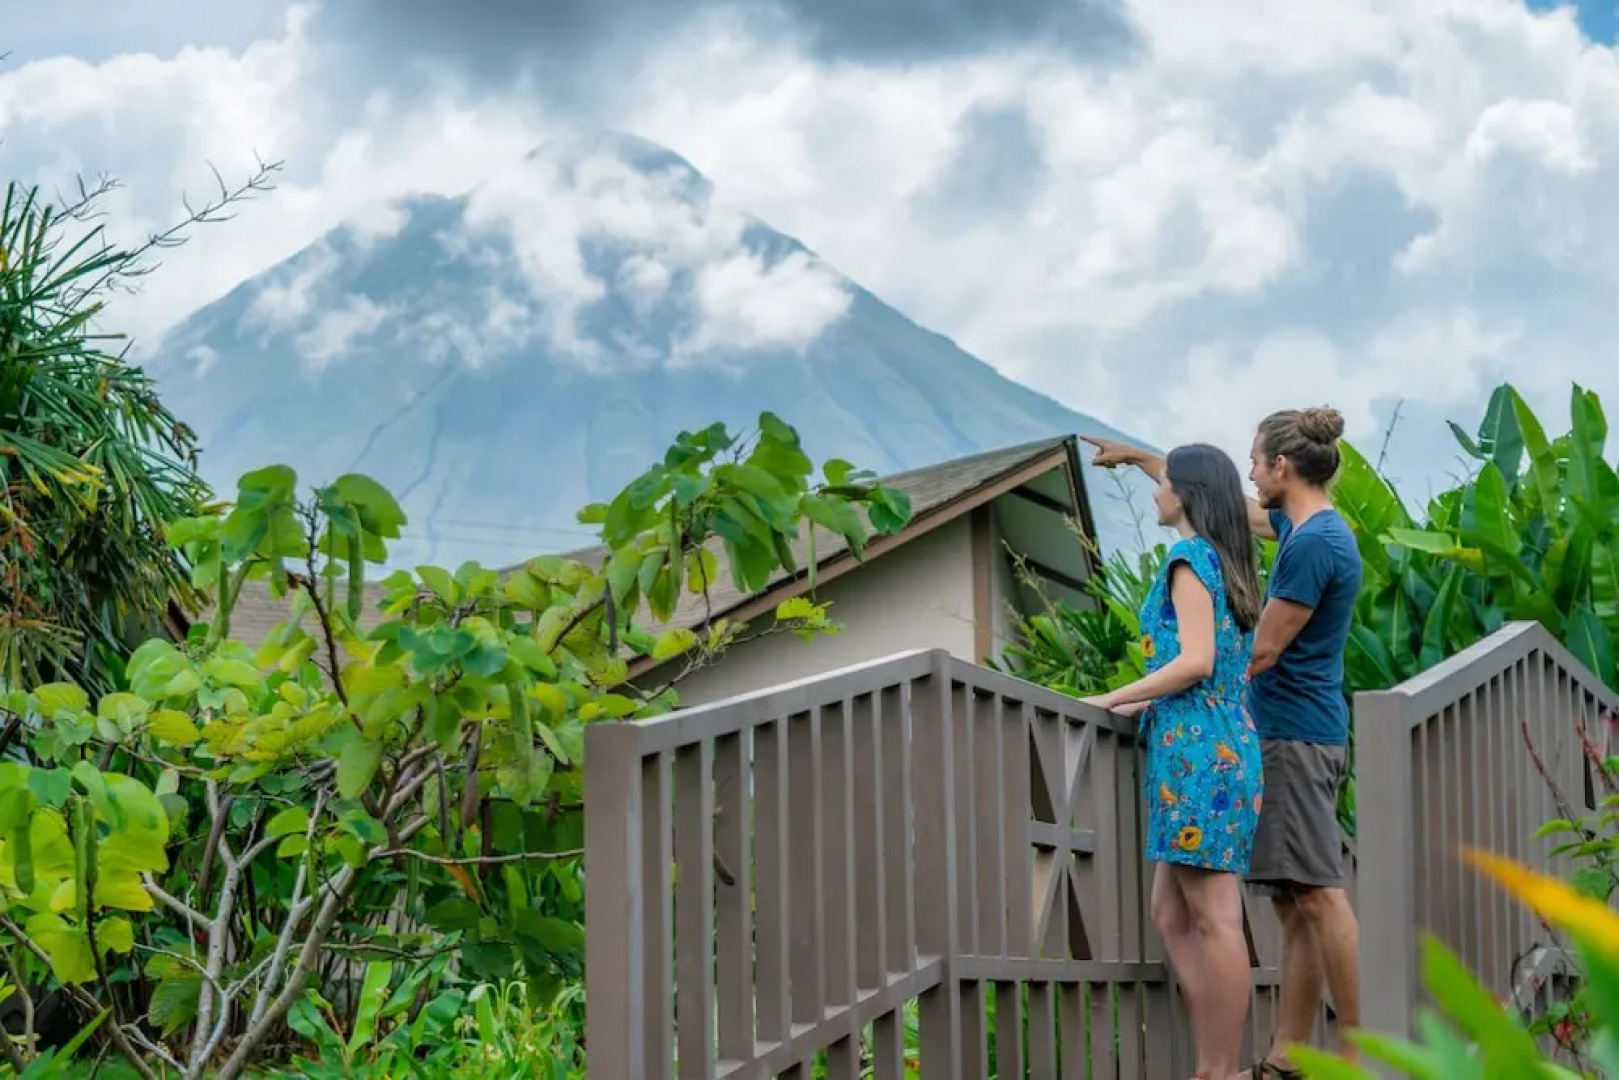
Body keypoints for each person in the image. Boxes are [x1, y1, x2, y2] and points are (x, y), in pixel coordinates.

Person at [1084, 408, 1362, 1080]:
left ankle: (1355, 1052)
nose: (1250, 470)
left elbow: (1248, 654)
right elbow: (1228, 509)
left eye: (1256, 460)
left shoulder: (1311, 546)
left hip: (1286, 733)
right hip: (1265, 732)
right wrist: (1147, 460)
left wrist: (1140, 694)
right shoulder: (1303, 526)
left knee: (1317, 895)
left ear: (1281, 468)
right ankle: (1284, 1056)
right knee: (1289, 902)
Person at [1078, 443, 1264, 1080]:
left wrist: (1114, 695)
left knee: (1213, 917)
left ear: (1184, 494)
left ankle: (1218, 1068)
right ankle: (1220, 1057)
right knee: (1173, 913)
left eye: (1166, 483)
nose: (1158, 492)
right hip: (1218, 738)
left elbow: (1195, 661)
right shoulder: (1231, 560)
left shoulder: (1189, 557)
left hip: (1196, 754)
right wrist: (1145, 707)